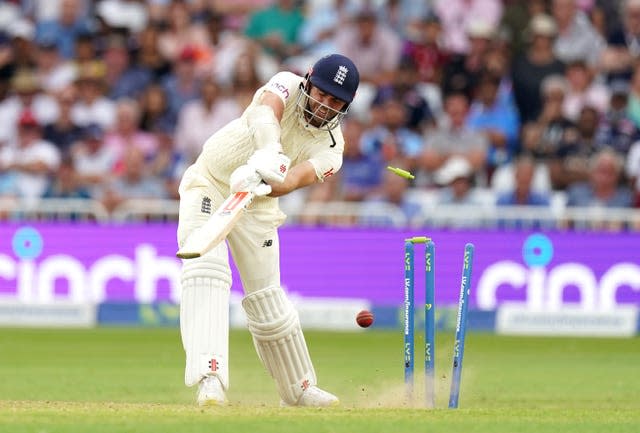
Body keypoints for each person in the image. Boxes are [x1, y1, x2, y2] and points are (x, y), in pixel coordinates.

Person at [176, 54, 359, 407]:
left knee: (268, 302)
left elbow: (292, 180)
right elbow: (265, 111)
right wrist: (268, 151)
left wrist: (267, 180)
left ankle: (299, 389)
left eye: (336, 102)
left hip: (257, 204)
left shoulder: (332, 150)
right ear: (308, 80)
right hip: (210, 183)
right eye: (322, 94)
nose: (325, 106)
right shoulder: (287, 83)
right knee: (205, 271)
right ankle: (209, 378)